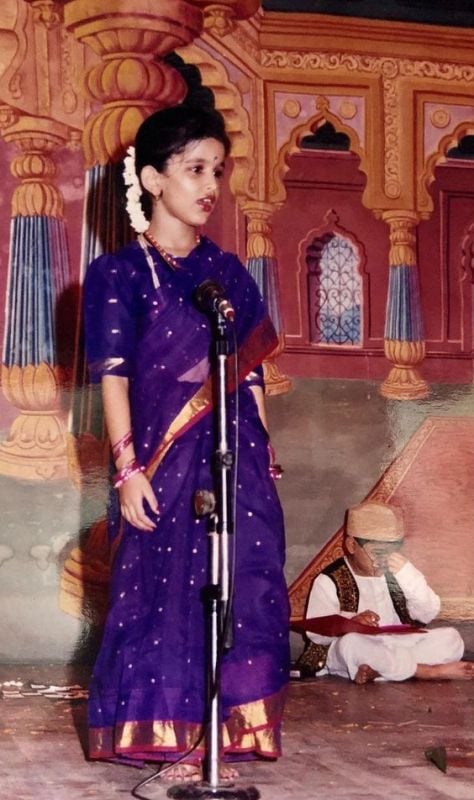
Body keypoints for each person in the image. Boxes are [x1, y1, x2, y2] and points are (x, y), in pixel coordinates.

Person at [83, 103, 290, 782]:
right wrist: (127, 470)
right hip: (160, 464)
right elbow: (112, 379)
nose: (210, 184)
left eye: (217, 171)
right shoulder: (119, 275)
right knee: (165, 595)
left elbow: (249, 371)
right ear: (151, 178)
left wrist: (262, 452)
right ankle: (169, 737)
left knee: (239, 587)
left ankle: (225, 735)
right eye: (193, 168)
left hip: (235, 462)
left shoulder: (228, 272)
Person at [300, 500, 473, 684]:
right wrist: (351, 623)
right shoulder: (329, 580)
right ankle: (424, 671)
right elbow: (316, 635)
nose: (384, 560)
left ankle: (380, 671)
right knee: (350, 645)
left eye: (391, 551)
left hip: (399, 644)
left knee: (451, 639)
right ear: (351, 546)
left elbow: (427, 614)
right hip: (361, 646)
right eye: (377, 552)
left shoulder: (399, 571)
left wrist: (409, 575)